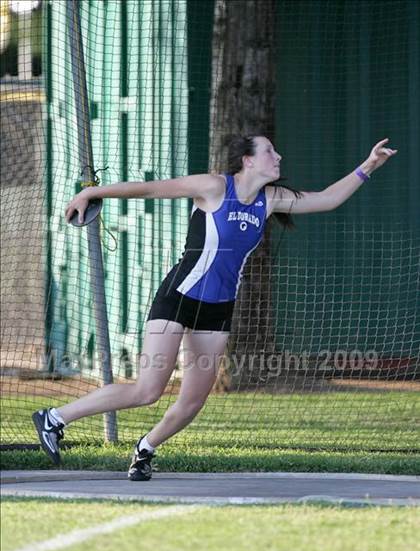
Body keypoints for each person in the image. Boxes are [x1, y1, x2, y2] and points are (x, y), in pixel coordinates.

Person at [32, 134, 397, 480]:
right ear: (248, 159)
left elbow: (328, 199)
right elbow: (151, 189)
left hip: (217, 309)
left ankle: (145, 448)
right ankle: (54, 417)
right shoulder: (214, 187)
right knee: (147, 390)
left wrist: (369, 165)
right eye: (270, 151)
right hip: (179, 296)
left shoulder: (269, 200)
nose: (279, 157)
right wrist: (93, 192)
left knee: (192, 402)